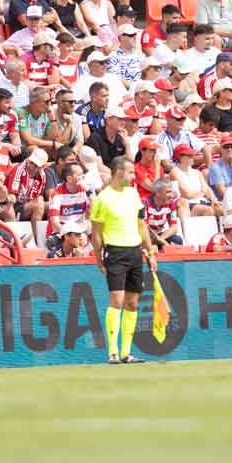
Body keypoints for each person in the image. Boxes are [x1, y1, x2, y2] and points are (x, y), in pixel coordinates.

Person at [89, 156, 157, 365]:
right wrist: (98, 257)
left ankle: (127, 352)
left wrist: (150, 251)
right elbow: (96, 232)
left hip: (135, 251)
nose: (133, 176)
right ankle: (112, 352)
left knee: (132, 302)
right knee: (116, 300)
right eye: (130, 172)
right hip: (116, 252)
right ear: (118, 172)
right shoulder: (103, 198)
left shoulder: (132, 193)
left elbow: (141, 225)